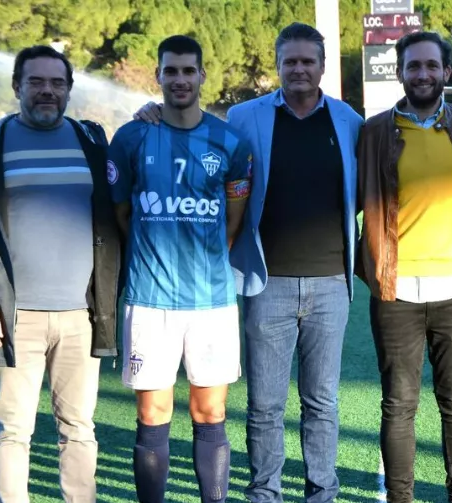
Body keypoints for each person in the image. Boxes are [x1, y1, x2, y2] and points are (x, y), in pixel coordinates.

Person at [133, 23, 362, 502]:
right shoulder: (243, 117)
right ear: (277, 64)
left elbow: (358, 194)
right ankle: (265, 493)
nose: (299, 69)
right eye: (290, 61)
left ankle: (322, 492)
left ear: (322, 65)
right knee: (265, 405)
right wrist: (149, 112)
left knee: (322, 402)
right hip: (265, 280)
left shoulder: (348, 121)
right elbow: (200, 138)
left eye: (308, 61)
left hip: (330, 282)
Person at [0, 45, 120, 502]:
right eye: (37, 82)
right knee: (12, 431)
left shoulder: (90, 141)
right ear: (17, 86)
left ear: (68, 89)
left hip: (82, 318)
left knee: (80, 428)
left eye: (57, 83)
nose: (47, 91)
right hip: (12, 319)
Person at [108, 35, 251, 503]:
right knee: (153, 414)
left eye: (189, 70)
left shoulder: (230, 140)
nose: (180, 79)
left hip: (211, 301)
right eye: (171, 71)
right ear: (159, 76)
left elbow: (233, 221)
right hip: (149, 301)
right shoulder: (132, 136)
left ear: (203, 75)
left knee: (210, 413)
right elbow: (123, 214)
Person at [356, 31, 452, 503]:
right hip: (394, 292)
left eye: (432, 66)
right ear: (400, 72)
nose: (423, 74)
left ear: (447, 72)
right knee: (399, 405)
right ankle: (400, 497)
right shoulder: (373, 132)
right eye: (414, 66)